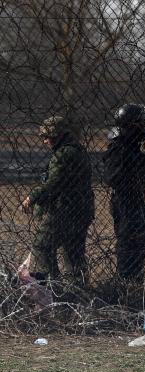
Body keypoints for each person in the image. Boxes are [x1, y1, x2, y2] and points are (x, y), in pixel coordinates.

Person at [20, 116, 94, 287]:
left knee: (42, 247)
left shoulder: (64, 154)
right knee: (73, 253)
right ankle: (78, 292)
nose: (45, 141)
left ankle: (54, 288)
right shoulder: (76, 150)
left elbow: (54, 183)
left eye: (48, 137)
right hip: (80, 210)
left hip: (65, 210)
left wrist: (32, 197)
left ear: (57, 136)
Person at [103, 103, 145, 286]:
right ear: (133, 125)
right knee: (130, 247)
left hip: (133, 203)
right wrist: (140, 173)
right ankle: (127, 287)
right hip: (126, 204)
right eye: (141, 123)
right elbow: (114, 178)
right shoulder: (119, 149)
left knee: (138, 247)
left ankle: (133, 286)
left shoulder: (130, 147)